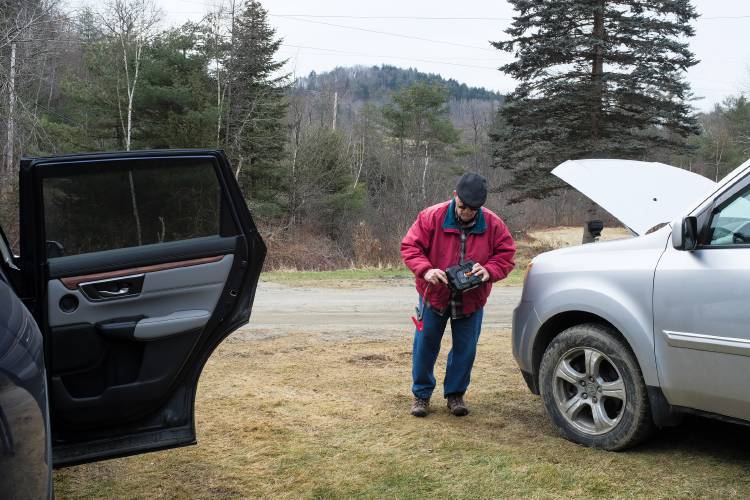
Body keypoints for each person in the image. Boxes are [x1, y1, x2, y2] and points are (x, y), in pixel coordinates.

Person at [401, 172, 516, 417]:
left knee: (465, 350)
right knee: (424, 347)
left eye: (473, 210)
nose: (466, 213)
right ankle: (421, 395)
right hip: (433, 296)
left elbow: (506, 256)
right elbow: (410, 247)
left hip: (471, 300)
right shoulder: (431, 216)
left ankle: (455, 394)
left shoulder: (494, 224)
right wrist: (426, 269)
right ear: (455, 197)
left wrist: (489, 270)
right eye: (463, 207)